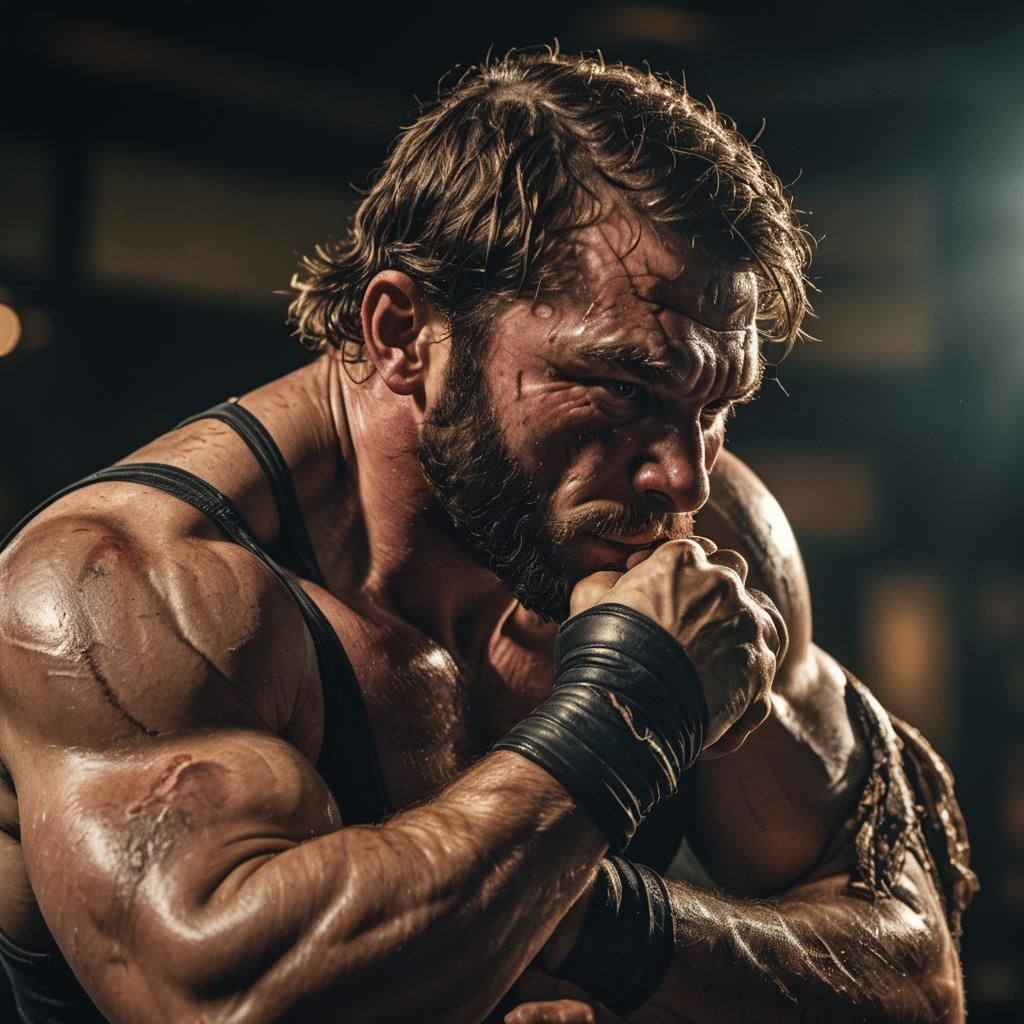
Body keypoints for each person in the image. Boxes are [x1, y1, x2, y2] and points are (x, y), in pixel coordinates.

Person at [0, 51, 976, 1024]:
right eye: (625, 390)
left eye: (715, 405)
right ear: (404, 333)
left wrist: (560, 917)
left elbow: (913, 983)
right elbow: (232, 998)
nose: (682, 475)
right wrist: (625, 717)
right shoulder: (114, 590)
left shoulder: (707, 535)